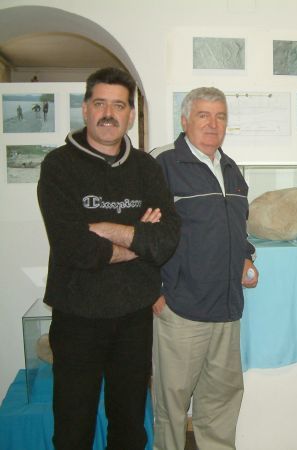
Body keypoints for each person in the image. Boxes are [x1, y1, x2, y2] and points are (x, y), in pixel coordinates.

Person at [37, 67, 180, 450]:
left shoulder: (147, 168)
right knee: (73, 429)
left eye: (118, 106)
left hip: (134, 317)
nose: (108, 114)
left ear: (130, 115)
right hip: (77, 317)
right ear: (85, 109)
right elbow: (73, 247)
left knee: (130, 427)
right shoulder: (58, 166)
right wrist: (139, 239)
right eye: (100, 103)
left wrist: (106, 229)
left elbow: (167, 238)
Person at [151, 87, 259, 450]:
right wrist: (154, 291)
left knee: (221, 403)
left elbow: (238, 228)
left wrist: (246, 257)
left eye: (220, 116)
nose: (213, 124)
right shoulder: (162, 165)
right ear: (184, 120)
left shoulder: (231, 169)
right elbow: (142, 234)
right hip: (181, 310)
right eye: (203, 115)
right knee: (171, 406)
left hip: (227, 310)